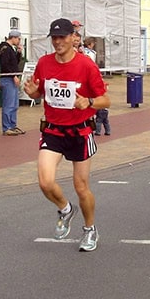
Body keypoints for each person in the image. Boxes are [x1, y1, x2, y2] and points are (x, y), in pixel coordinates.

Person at [22, 18, 110, 252]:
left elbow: (105, 100)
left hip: (80, 131)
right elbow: (39, 92)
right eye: (54, 38)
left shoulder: (86, 65)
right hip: (53, 130)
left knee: (81, 187)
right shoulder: (44, 63)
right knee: (45, 181)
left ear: (73, 38)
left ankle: (90, 229)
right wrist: (32, 94)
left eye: (62, 37)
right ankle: (65, 208)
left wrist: (88, 101)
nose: (58, 42)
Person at [0, 29, 24, 135]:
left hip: (12, 78)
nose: (19, 41)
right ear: (13, 37)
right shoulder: (4, 48)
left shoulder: (10, 49)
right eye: (18, 39)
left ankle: (12, 125)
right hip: (8, 79)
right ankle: (7, 127)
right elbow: (5, 64)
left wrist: (18, 53)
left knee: (14, 104)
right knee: (8, 104)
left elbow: (14, 63)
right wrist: (13, 75)